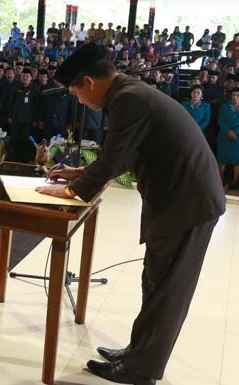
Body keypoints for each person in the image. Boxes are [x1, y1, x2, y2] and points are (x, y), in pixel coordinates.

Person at [37, 42, 225, 385]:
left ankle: (141, 369)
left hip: (187, 203)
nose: (79, 101)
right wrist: (79, 174)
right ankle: (139, 352)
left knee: (167, 288)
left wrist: (68, 193)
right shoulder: (129, 93)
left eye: (76, 93)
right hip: (178, 198)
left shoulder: (128, 98)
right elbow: (122, 155)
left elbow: (111, 161)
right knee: (155, 280)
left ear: (89, 83)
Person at [217, 88, 239, 188]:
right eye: (233, 95)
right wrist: (228, 131)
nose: (235, 97)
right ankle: (219, 181)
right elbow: (220, 120)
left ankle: (235, 181)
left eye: (237, 95)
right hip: (224, 136)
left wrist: (235, 132)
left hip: (237, 137)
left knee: (237, 160)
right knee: (221, 159)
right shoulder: (224, 107)